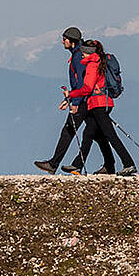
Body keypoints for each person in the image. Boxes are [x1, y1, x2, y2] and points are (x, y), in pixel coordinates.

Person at [62, 39, 135, 176]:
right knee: (89, 134)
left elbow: (87, 88)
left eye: (83, 51)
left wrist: (71, 94)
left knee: (111, 135)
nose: (81, 54)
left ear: (88, 52)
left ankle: (128, 163)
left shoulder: (92, 65)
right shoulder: (99, 61)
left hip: (98, 105)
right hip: (104, 102)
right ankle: (78, 165)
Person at [33, 27, 89, 174]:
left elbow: (81, 83)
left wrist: (75, 102)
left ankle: (53, 164)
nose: (62, 41)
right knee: (97, 134)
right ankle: (110, 164)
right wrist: (69, 98)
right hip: (86, 99)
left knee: (68, 131)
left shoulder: (78, 57)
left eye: (64, 39)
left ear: (71, 41)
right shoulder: (79, 54)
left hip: (83, 101)